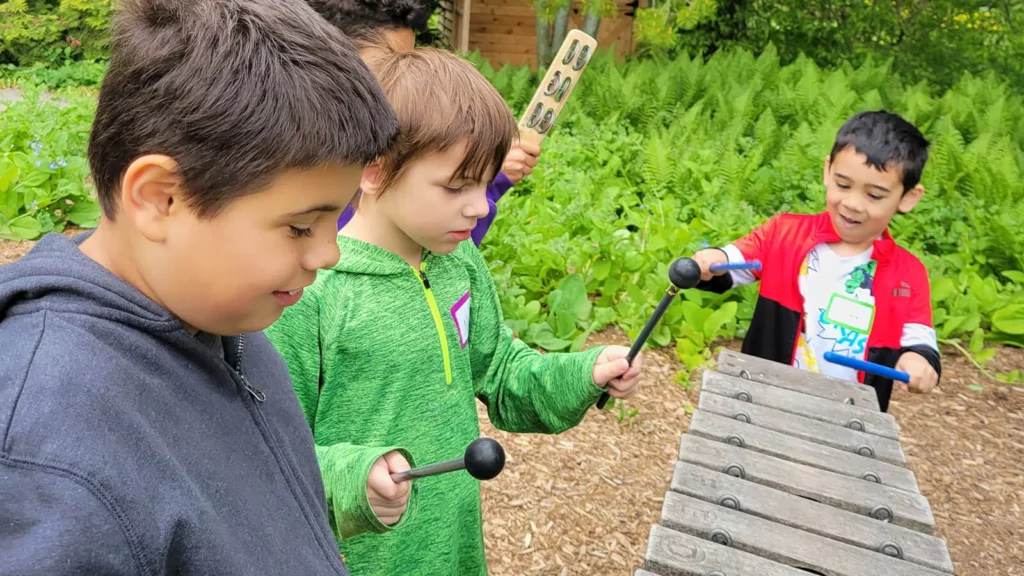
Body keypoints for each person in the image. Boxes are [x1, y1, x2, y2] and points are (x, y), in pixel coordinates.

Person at [0, 0, 403, 573]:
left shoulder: (220, 319)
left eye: (335, 219)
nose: (328, 253)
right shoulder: (48, 455)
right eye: (299, 226)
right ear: (160, 198)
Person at [263, 47, 644, 576]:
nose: (481, 206)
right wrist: (352, 480)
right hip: (359, 559)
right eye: (455, 186)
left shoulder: (458, 264)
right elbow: (266, 450)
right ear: (373, 172)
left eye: (485, 184)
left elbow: (503, 372)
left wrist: (585, 371)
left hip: (454, 544)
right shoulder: (313, 294)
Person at [692, 110, 941, 412]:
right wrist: (711, 260)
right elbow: (733, 262)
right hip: (764, 397)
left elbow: (920, 341)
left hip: (850, 415)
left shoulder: (908, 273)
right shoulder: (784, 233)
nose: (852, 204)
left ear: (908, 198)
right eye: (843, 185)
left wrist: (918, 361)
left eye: (874, 195)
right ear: (827, 171)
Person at [306, 0, 542, 245]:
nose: (404, 79)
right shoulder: (295, 159)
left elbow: (439, 254)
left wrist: (483, 172)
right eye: (387, 64)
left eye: (409, 60)